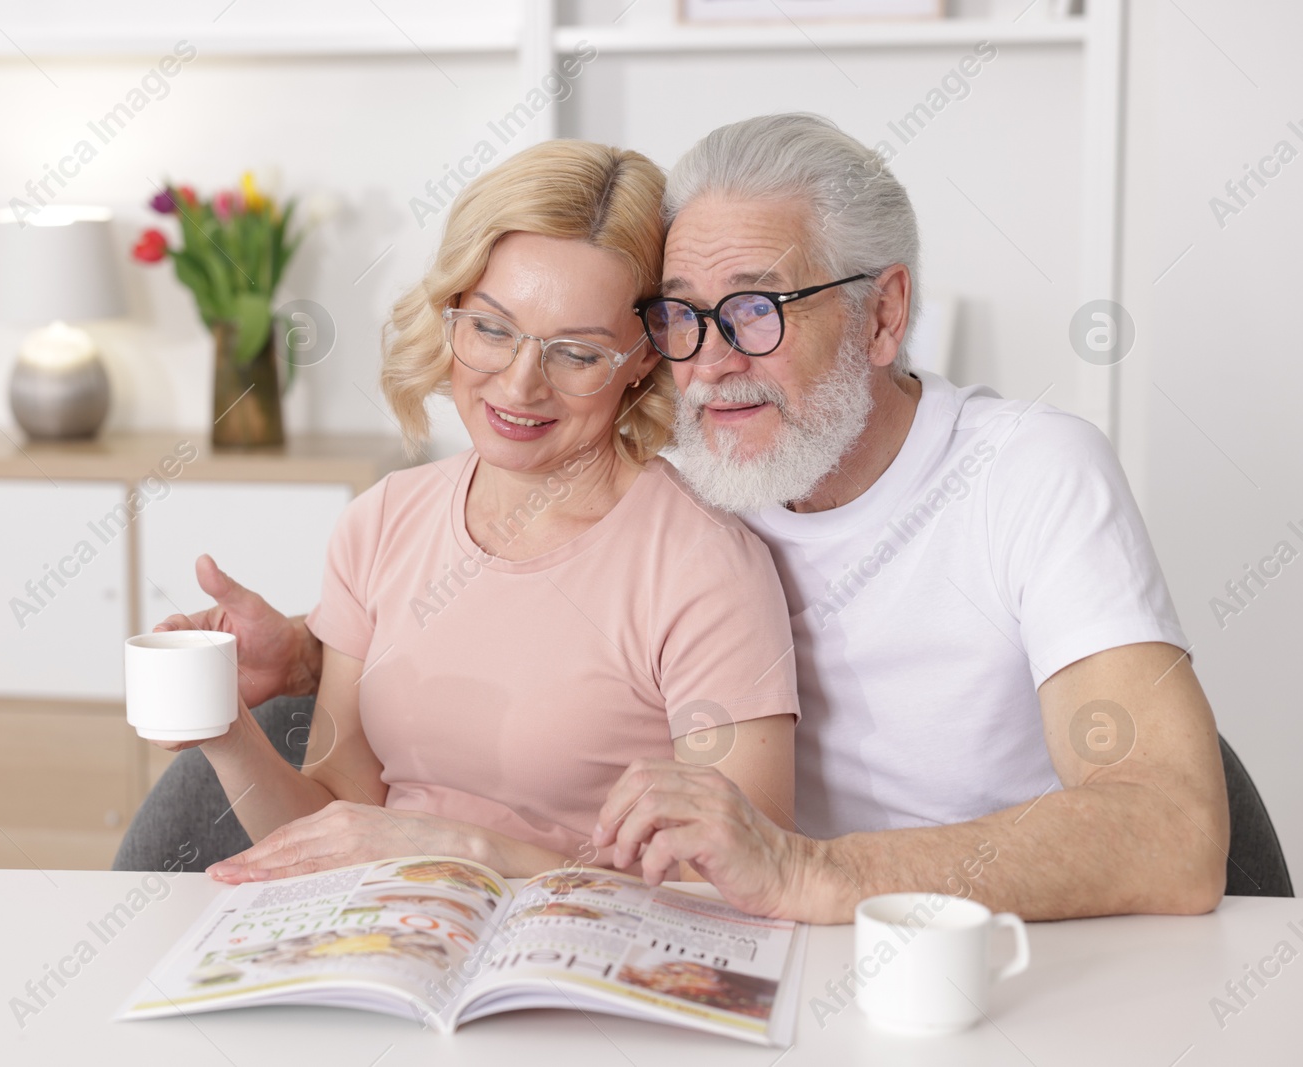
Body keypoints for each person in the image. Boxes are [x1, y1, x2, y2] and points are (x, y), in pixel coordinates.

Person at [154, 114, 1229, 924]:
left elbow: (1173, 829)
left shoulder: (1030, 475)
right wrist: (305, 651)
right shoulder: (703, 454)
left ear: (884, 313)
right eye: (680, 317)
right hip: (747, 941)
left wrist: (805, 867)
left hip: (968, 952)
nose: (711, 361)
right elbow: (511, 575)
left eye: (757, 309)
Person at [149, 139, 800, 882]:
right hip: (386, 941)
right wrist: (227, 729)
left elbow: (746, 886)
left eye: (578, 354)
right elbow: (333, 828)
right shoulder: (383, 522)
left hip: (586, 967)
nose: (520, 386)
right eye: (491, 329)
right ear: (452, 311)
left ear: (644, 359)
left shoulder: (702, 565)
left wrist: (463, 850)